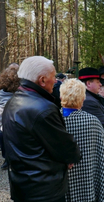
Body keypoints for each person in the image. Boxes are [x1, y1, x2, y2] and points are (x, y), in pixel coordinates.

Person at [3, 56, 81, 202]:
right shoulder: (43, 108)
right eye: (53, 76)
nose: (56, 80)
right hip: (44, 190)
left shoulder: (12, 102)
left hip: (22, 185)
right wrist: (71, 157)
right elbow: (65, 147)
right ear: (42, 80)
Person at [61, 79, 104, 202]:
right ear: (82, 98)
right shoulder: (92, 121)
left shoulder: (54, 120)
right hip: (88, 181)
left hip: (62, 182)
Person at [0, 63, 20, 170]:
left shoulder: (2, 89)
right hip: (13, 115)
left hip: (3, 118)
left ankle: (7, 158)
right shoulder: (20, 89)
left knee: (3, 134)